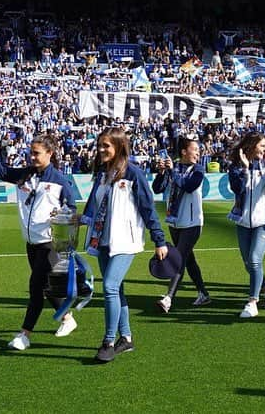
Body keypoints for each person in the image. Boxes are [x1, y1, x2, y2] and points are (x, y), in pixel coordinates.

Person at [0, 127, 77, 351]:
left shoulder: (60, 181)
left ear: (50, 153)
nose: (32, 156)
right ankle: (67, 318)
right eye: (31, 152)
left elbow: (72, 210)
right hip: (31, 242)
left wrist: (62, 217)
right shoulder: (25, 175)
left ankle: (24, 334)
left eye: (37, 153)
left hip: (50, 243)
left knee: (35, 287)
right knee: (46, 287)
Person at [81, 127, 168, 363]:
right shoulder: (102, 173)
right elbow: (93, 203)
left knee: (109, 287)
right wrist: (81, 219)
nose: (100, 150)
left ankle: (108, 341)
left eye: (105, 146)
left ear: (119, 146)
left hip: (125, 241)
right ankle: (126, 338)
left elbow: (148, 208)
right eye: (99, 145)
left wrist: (159, 240)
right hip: (103, 241)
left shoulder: (133, 174)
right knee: (116, 289)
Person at [151, 136, 210, 312]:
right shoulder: (173, 168)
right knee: (189, 260)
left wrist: (172, 172)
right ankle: (203, 294)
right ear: (184, 151)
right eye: (195, 150)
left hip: (192, 223)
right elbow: (157, 188)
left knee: (178, 259)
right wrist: (162, 172)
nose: (198, 153)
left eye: (198, 150)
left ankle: (168, 298)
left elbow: (189, 186)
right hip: (175, 222)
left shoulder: (198, 169)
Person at [228, 132, 265, 318]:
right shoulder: (236, 166)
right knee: (248, 263)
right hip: (243, 221)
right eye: (262, 146)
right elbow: (237, 188)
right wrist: (244, 168)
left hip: (264, 221)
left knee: (254, 259)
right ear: (251, 146)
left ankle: (252, 302)